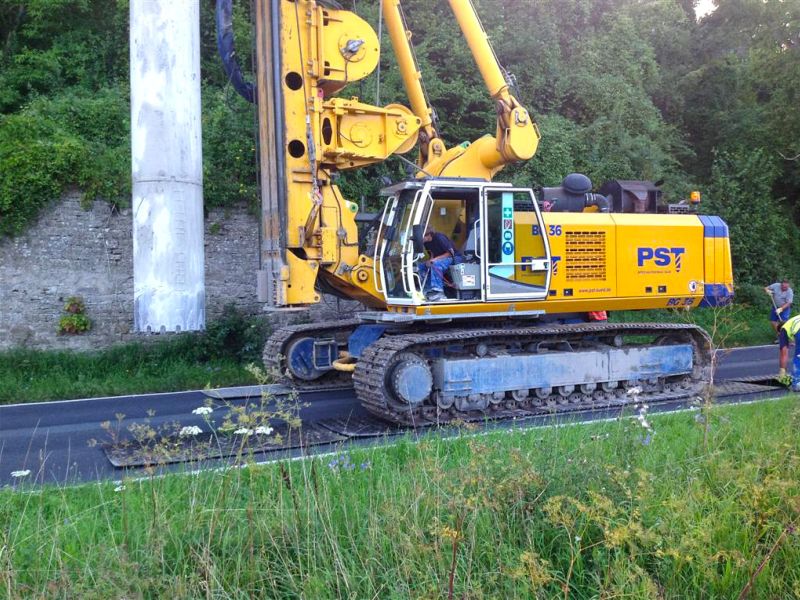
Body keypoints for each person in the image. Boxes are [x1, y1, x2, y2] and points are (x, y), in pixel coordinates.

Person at [418, 226, 457, 301]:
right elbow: (432, 253)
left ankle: (438, 291)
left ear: (429, 235)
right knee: (421, 266)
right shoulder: (426, 243)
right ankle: (427, 289)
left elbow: (450, 253)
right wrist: (430, 260)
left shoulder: (439, 238)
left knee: (436, 264)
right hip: (438, 259)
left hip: (450, 258)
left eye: (423, 237)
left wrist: (434, 260)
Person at [777, 313, 800, 390]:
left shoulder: (784, 328)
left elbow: (784, 353)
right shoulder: (794, 321)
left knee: (798, 357)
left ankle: (797, 383)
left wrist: (782, 373)